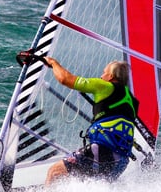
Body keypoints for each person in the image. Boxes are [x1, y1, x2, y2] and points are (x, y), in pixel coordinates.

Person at [42, 57, 138, 185]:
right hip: (121, 161)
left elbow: (65, 79)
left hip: (102, 151)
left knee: (54, 172)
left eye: (104, 72)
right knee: (88, 184)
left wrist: (53, 63)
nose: (101, 75)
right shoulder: (132, 101)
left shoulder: (104, 86)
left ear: (110, 76)